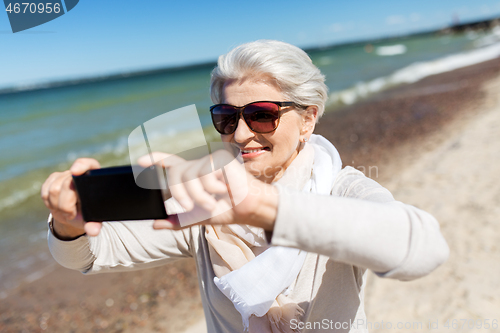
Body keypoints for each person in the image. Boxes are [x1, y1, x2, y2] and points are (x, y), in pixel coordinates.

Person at [41, 40, 449, 333]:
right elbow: (91, 255)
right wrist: (70, 222)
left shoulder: (341, 191)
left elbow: (423, 250)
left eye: (261, 115)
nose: (239, 135)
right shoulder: (206, 202)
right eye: (225, 117)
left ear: (308, 118)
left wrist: (262, 206)